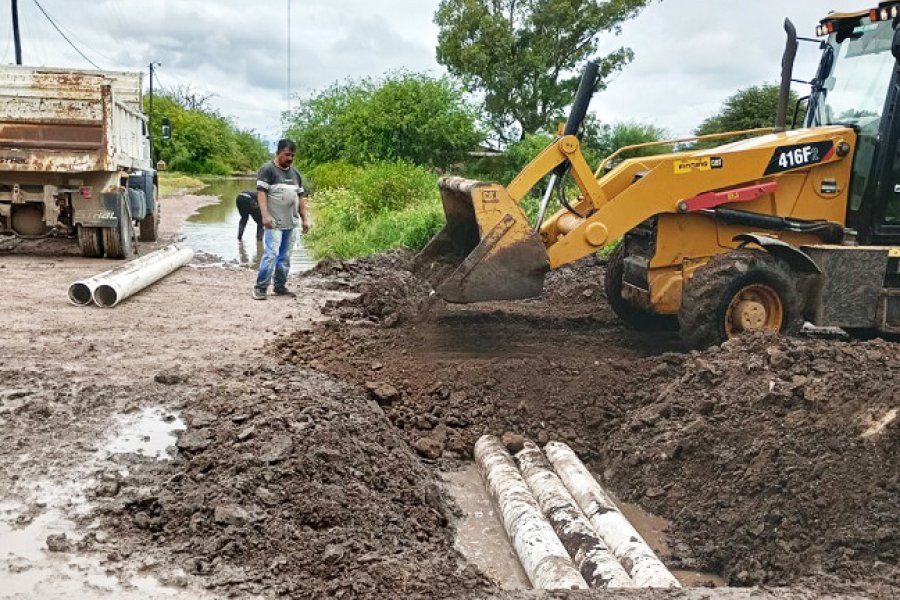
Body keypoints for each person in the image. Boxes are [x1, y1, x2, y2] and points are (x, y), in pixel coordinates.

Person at [252, 139, 310, 300]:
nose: (290, 158)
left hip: (291, 222)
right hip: (274, 222)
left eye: (292, 155)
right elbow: (261, 193)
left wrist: (305, 219)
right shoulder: (268, 169)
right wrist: (265, 216)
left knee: (285, 256)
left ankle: (279, 286)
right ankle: (260, 287)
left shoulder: (296, 174)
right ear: (278, 153)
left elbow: (301, 197)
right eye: (286, 155)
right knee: (271, 254)